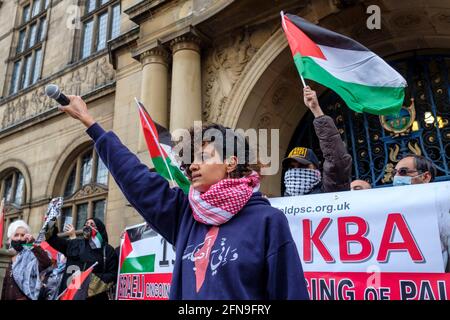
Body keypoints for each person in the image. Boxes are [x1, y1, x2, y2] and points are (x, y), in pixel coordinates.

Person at [57, 95, 309, 300]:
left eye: (204, 157)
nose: (192, 167)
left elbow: (290, 292)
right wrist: (90, 122)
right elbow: (137, 179)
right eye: (190, 161)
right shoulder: (185, 212)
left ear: (231, 162)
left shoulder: (268, 220)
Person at [282, 86, 352, 196]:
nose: (296, 171)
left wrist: (316, 110)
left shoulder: (329, 191)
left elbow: (336, 161)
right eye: (292, 167)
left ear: (316, 169)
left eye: (303, 166)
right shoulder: (281, 204)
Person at [392, 154, 450, 272]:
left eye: (403, 172)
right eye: (395, 173)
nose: (396, 177)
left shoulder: (441, 207)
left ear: (425, 177)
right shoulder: (388, 209)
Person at [45, 217, 118, 300]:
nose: (88, 226)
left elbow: (113, 274)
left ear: (100, 229)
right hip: (69, 295)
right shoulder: (74, 244)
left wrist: (91, 279)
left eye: (92, 224)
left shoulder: (107, 250)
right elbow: (51, 238)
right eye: (86, 224)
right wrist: (51, 221)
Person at [1, 220, 52, 300]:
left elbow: (46, 262)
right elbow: (5, 286)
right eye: (16, 235)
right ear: (11, 237)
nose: (19, 238)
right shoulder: (8, 257)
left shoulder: (31, 255)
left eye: (22, 235)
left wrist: (32, 244)